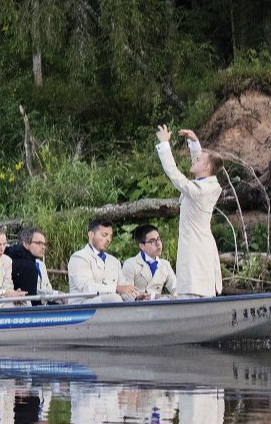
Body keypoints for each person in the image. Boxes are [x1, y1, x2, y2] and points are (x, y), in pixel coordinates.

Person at [155, 127, 224, 296]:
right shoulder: (207, 183)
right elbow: (201, 165)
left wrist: (164, 145)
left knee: (194, 286)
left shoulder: (202, 190)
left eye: (197, 159)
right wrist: (194, 142)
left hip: (196, 246)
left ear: (206, 165)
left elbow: (174, 175)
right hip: (196, 242)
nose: (193, 160)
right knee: (194, 284)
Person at [66, 220, 139, 301]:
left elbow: (124, 287)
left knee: (145, 301)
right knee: (114, 298)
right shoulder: (79, 257)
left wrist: (136, 297)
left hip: (110, 304)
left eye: (110, 236)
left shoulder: (114, 261)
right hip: (83, 306)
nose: (108, 239)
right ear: (91, 235)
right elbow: (86, 287)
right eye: (104, 235)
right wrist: (116, 288)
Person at [122, 225, 175, 298]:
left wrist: (175, 296)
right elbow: (125, 293)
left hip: (160, 305)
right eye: (152, 241)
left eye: (158, 239)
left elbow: (175, 287)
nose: (158, 244)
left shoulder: (165, 264)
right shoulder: (130, 264)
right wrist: (138, 297)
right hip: (138, 306)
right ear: (142, 246)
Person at [5, 228, 57, 297]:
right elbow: (29, 297)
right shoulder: (21, 264)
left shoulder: (40, 264)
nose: (43, 247)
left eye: (44, 244)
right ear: (26, 244)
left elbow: (48, 288)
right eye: (38, 243)